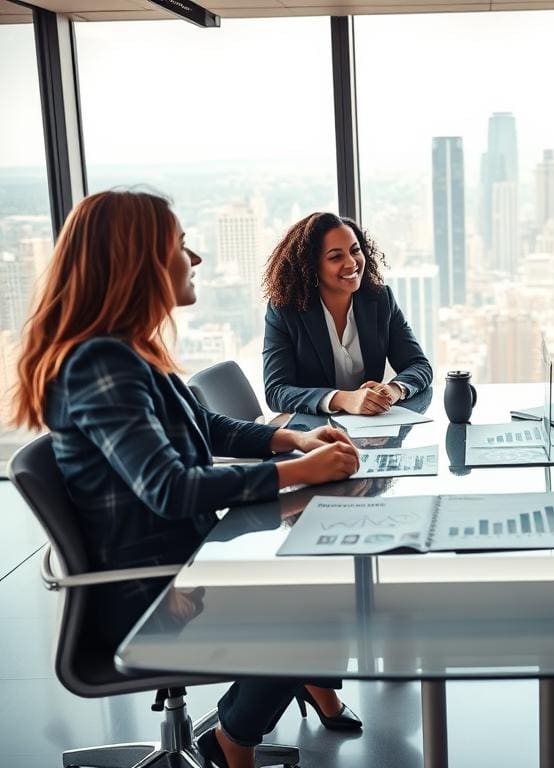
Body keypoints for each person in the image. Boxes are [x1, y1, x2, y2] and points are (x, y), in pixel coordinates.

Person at [12, 191, 367, 768]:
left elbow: (211, 427)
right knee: (321, 600)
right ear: (140, 263)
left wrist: (294, 439)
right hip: (150, 594)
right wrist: (296, 472)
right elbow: (170, 488)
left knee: (322, 577)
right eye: (180, 246)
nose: (194, 258)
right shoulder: (99, 364)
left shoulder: (130, 353)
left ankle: (246, 724)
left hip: (186, 562)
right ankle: (233, 741)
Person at [262, 212, 432, 416]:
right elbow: (276, 391)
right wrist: (341, 399)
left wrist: (393, 390)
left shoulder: (380, 300)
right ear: (311, 266)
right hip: (314, 436)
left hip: (373, 431)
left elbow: (419, 365)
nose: (352, 263)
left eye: (355, 251)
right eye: (336, 257)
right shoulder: (285, 311)